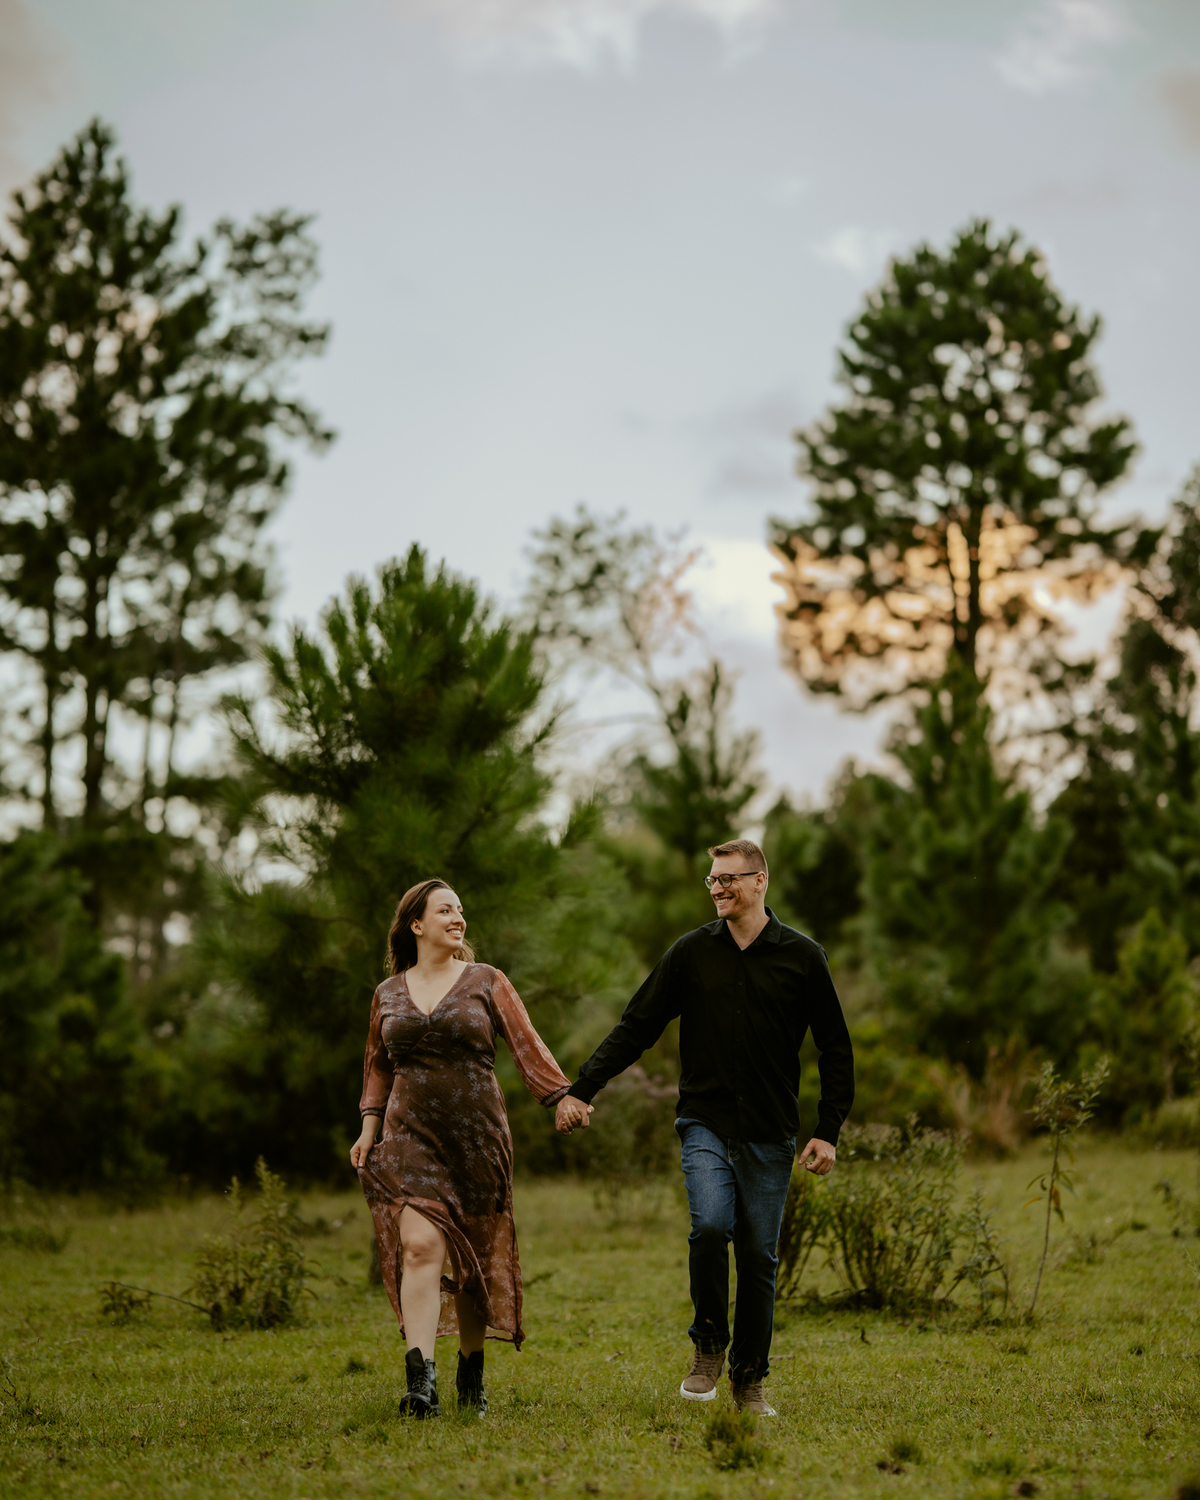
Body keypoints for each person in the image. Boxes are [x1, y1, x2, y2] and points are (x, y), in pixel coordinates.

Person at [556, 838, 853, 1416]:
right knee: (711, 1226)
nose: (717, 888)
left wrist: (828, 1129)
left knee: (760, 1259)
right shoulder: (691, 952)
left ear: (760, 881)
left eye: (728, 879)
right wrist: (582, 1088)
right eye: (712, 880)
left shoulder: (803, 956)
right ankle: (709, 1343)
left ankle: (750, 1380)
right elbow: (637, 1025)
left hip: (770, 1130)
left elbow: (836, 1048)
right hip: (705, 1122)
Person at [350, 878, 573, 1418]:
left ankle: (470, 1372)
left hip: (477, 1138)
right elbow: (378, 1066)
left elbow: (527, 1045)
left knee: (474, 1262)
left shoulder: (485, 980)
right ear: (416, 924)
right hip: (409, 1137)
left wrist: (561, 1096)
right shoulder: (388, 993)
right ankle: (420, 1383)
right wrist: (368, 1127)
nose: (458, 918)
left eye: (460, 910)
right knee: (419, 1248)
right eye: (445, 910)